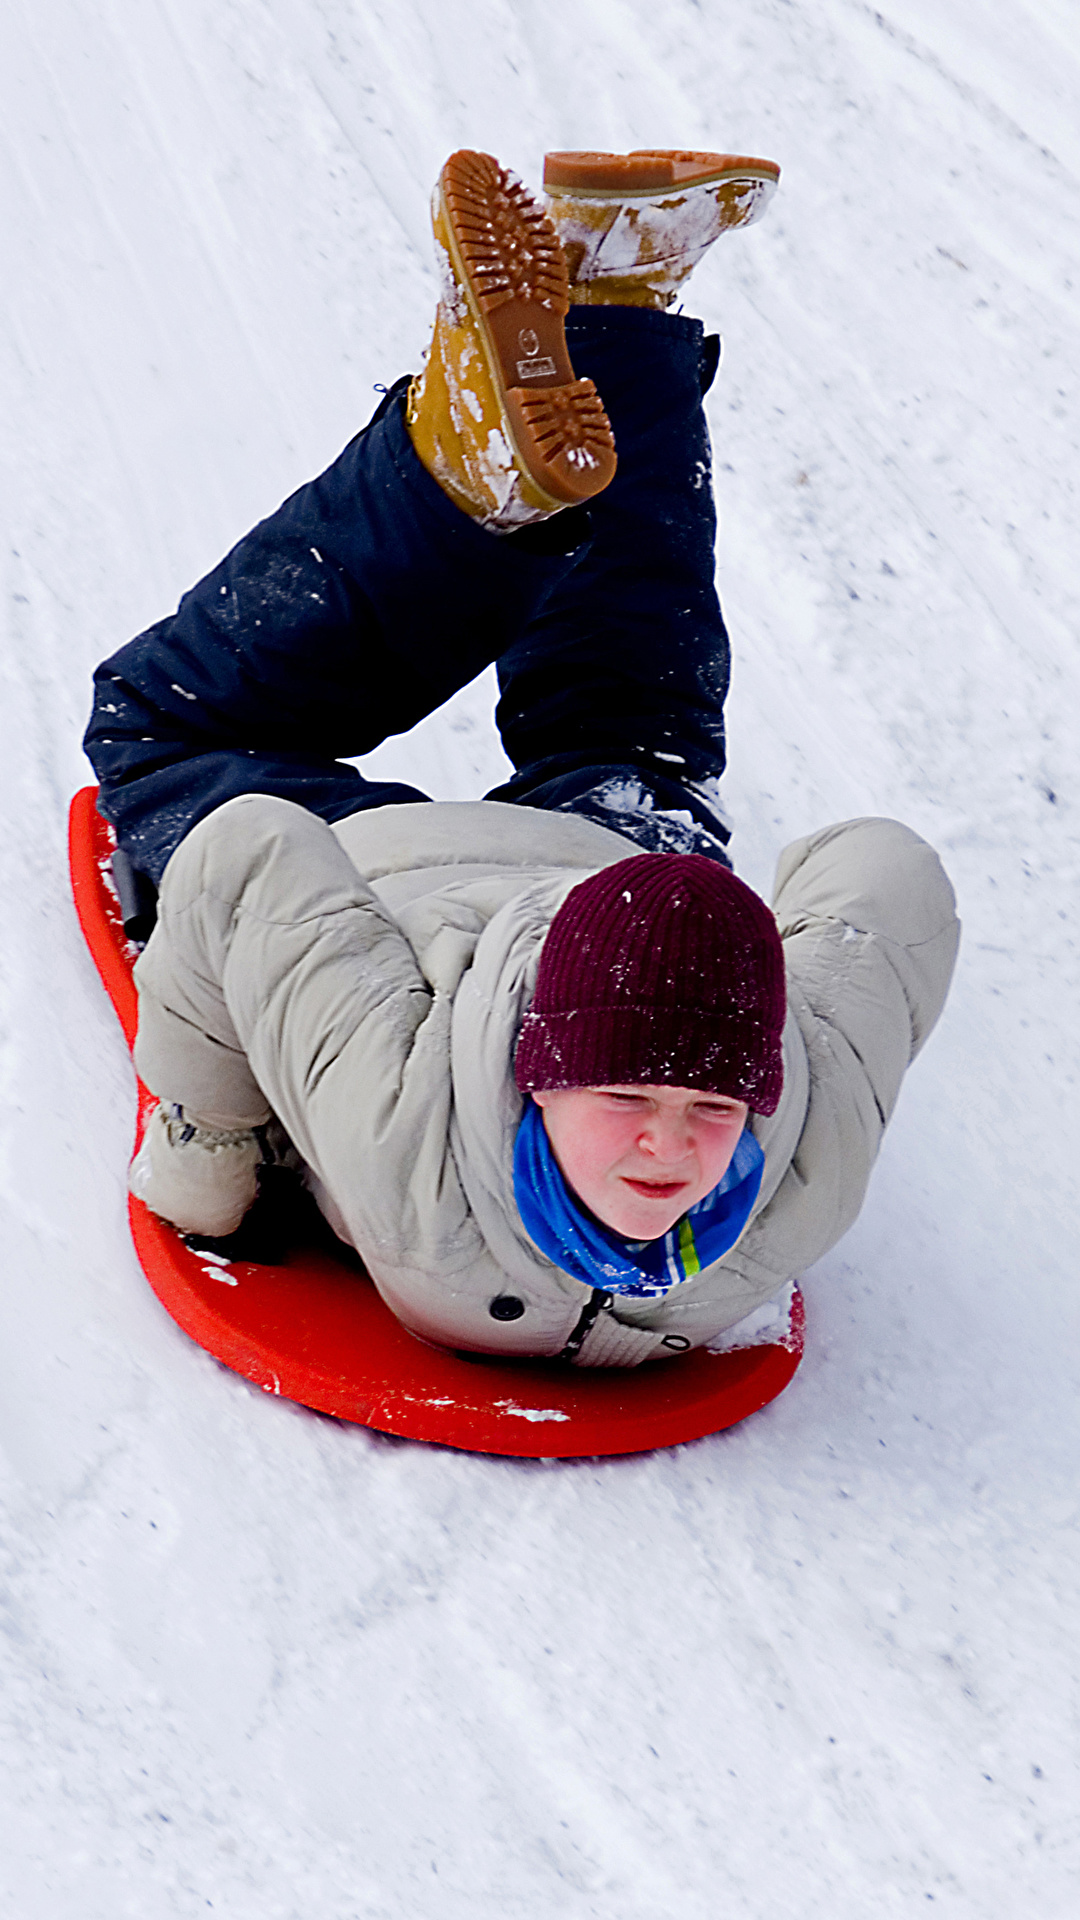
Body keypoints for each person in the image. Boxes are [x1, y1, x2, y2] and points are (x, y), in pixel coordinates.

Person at [84, 148, 960, 1368]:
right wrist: (208, 1145)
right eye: (631, 1100)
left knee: (623, 722)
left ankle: (527, 418)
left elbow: (881, 892)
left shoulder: (427, 1140)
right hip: (499, 885)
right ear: (539, 1077)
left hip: (504, 879)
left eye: (713, 1106)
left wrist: (207, 1154)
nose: (669, 1148)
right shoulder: (789, 1189)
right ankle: (585, 334)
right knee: (171, 726)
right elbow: (894, 883)